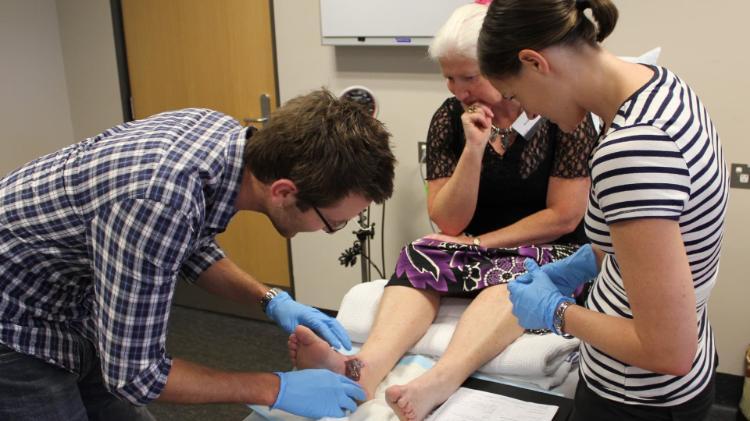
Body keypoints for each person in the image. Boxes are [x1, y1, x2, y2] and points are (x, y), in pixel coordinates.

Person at [0, 89, 396, 420]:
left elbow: (190, 245)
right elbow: (137, 376)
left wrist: (272, 300)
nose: (329, 233)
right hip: (13, 321)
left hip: (69, 296)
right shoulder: (157, 201)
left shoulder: (224, 139)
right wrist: (273, 386)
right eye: (332, 224)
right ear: (284, 192)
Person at [286, 4, 598, 421]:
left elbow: (564, 217)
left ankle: (440, 380)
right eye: (449, 77)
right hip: (472, 248)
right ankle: (362, 371)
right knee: (419, 251)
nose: (456, 89)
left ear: (503, 67)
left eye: (468, 76)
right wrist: (473, 149)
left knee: (521, 280)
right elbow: (448, 223)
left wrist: (479, 244)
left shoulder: (563, 114)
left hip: (549, 251)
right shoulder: (449, 119)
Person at [477, 1, 728, 420]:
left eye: (516, 95)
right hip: (672, 385)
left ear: (534, 62)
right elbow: (667, 239)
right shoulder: (661, 87)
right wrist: (591, 259)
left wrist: (557, 313)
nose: (531, 113)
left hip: (638, 398)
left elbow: (668, 350)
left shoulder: (632, 148)